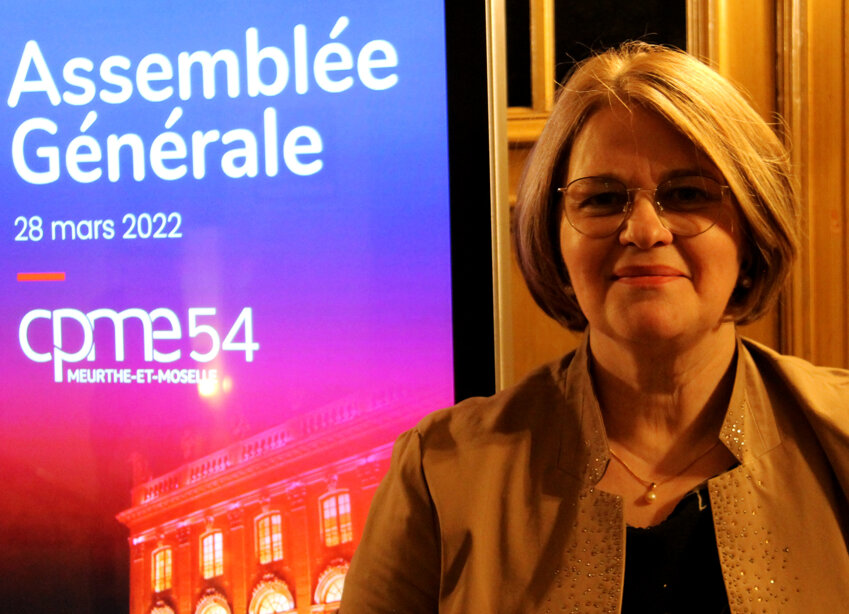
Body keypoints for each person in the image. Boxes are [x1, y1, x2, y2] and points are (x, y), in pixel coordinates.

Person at [339, 42, 849, 613]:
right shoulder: (439, 471)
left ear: (752, 233)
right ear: (554, 240)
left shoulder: (840, 436)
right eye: (603, 199)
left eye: (687, 195)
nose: (645, 231)